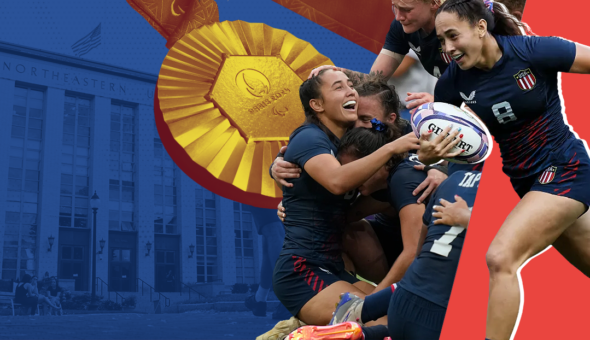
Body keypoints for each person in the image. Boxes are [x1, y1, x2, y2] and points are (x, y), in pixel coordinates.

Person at [432, 1, 590, 339]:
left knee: (500, 257)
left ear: (480, 27)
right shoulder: (451, 84)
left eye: (452, 36)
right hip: (527, 184)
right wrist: (430, 156)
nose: (447, 49)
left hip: (564, 167)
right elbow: (439, 147)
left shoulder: (533, 51)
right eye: (441, 40)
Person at [272, 68, 420, 332]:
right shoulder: (310, 137)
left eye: (350, 85)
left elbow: (390, 129)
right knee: (386, 323)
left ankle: (308, 327)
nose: (350, 90)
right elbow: (337, 181)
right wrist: (391, 149)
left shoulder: (353, 134)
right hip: (302, 270)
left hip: (334, 267)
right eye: (339, 87)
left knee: (402, 316)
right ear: (316, 105)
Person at [288, 163, 481, 340]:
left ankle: (362, 329)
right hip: (440, 312)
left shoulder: (450, 182)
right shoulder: (500, 196)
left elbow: (420, 252)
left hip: (402, 300)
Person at [242, 205, 291, 320]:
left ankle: (288, 295)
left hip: (265, 189)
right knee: (269, 240)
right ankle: (259, 299)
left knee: (272, 229)